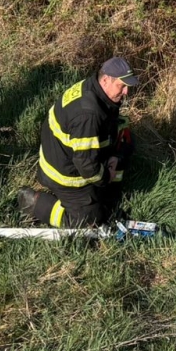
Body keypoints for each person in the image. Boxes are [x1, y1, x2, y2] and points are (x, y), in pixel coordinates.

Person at [19, 57, 138, 227]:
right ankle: (35, 203)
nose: (126, 92)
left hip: (71, 154)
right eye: (122, 86)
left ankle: (107, 193)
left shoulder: (94, 88)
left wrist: (115, 157)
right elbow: (86, 164)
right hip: (65, 174)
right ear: (106, 80)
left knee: (125, 145)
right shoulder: (88, 115)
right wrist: (105, 176)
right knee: (89, 221)